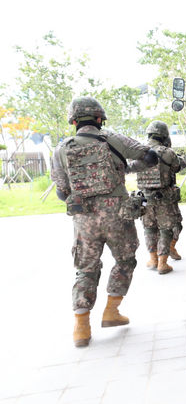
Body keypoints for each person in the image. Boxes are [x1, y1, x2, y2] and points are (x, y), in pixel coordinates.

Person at [51, 96, 158, 347]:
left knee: (86, 268)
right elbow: (150, 156)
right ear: (99, 119)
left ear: (74, 121)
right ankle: (112, 311)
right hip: (117, 214)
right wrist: (127, 169)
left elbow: (61, 191)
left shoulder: (61, 148)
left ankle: (81, 327)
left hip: (84, 219)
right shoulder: (113, 139)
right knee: (125, 260)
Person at [127, 121, 186, 275]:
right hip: (164, 198)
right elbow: (177, 167)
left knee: (149, 229)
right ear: (164, 135)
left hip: (144, 198)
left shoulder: (140, 151)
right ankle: (162, 263)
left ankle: (152, 259)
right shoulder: (167, 152)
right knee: (167, 229)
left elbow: (130, 167)